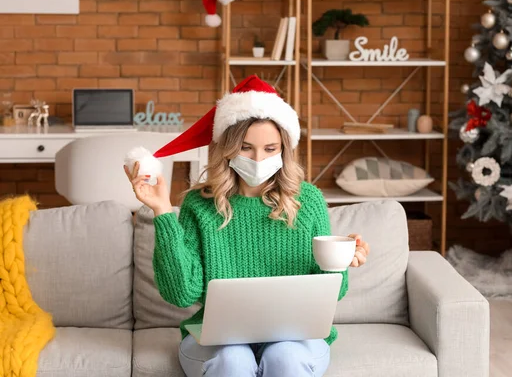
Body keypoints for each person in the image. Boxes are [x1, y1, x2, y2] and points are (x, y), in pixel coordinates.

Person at [124, 75, 370, 377]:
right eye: (245, 147)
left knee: (286, 357)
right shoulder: (200, 205)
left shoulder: (308, 201)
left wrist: (340, 261)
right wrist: (162, 211)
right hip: (220, 342)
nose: (258, 158)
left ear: (284, 149)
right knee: (233, 361)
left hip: (295, 338)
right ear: (226, 148)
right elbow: (182, 294)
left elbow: (334, 292)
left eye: (270, 148)